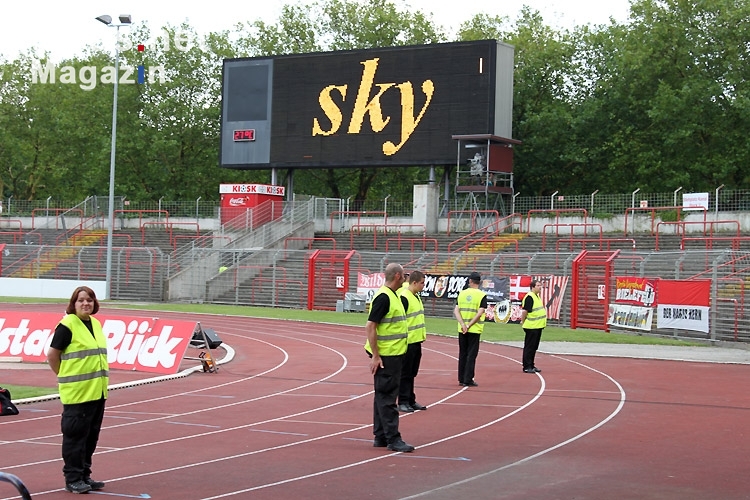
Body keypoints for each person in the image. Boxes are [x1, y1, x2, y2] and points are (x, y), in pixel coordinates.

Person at [47, 286, 109, 494]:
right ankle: (72, 478)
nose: (86, 304)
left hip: (97, 393)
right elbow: (53, 355)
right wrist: (64, 377)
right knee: (75, 437)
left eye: (89, 300)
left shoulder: (96, 324)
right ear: (73, 304)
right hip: (77, 394)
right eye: (81, 300)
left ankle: (84, 475)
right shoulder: (67, 326)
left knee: (91, 437)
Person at [364, 263, 415, 453]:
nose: (405, 279)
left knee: (382, 395)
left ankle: (381, 435)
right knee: (387, 397)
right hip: (387, 355)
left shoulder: (392, 296)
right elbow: (371, 326)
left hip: (393, 353)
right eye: (404, 276)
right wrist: (376, 356)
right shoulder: (384, 297)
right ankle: (393, 438)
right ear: (397, 276)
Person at [397, 271, 427, 413]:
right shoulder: (405, 297)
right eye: (422, 283)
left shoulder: (416, 297)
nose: (423, 285)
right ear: (414, 282)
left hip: (416, 341)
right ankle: (403, 401)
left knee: (412, 373)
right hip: (407, 342)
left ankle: (410, 399)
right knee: (405, 373)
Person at [453, 272, 487, 387]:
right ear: (479, 282)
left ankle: (461, 378)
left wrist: (463, 324)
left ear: (470, 281)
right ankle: (468, 379)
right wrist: (469, 325)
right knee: (471, 354)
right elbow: (480, 312)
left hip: (462, 329)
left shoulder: (462, 293)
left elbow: (456, 310)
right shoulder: (482, 295)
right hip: (474, 329)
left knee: (462, 353)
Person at [520, 279, 547, 373]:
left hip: (538, 326)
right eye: (538, 285)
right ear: (533, 287)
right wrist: (522, 322)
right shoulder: (529, 297)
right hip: (531, 326)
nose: (540, 287)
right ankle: (527, 366)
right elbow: (525, 311)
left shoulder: (537, 296)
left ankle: (531, 364)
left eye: (540, 285)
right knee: (529, 347)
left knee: (534, 347)